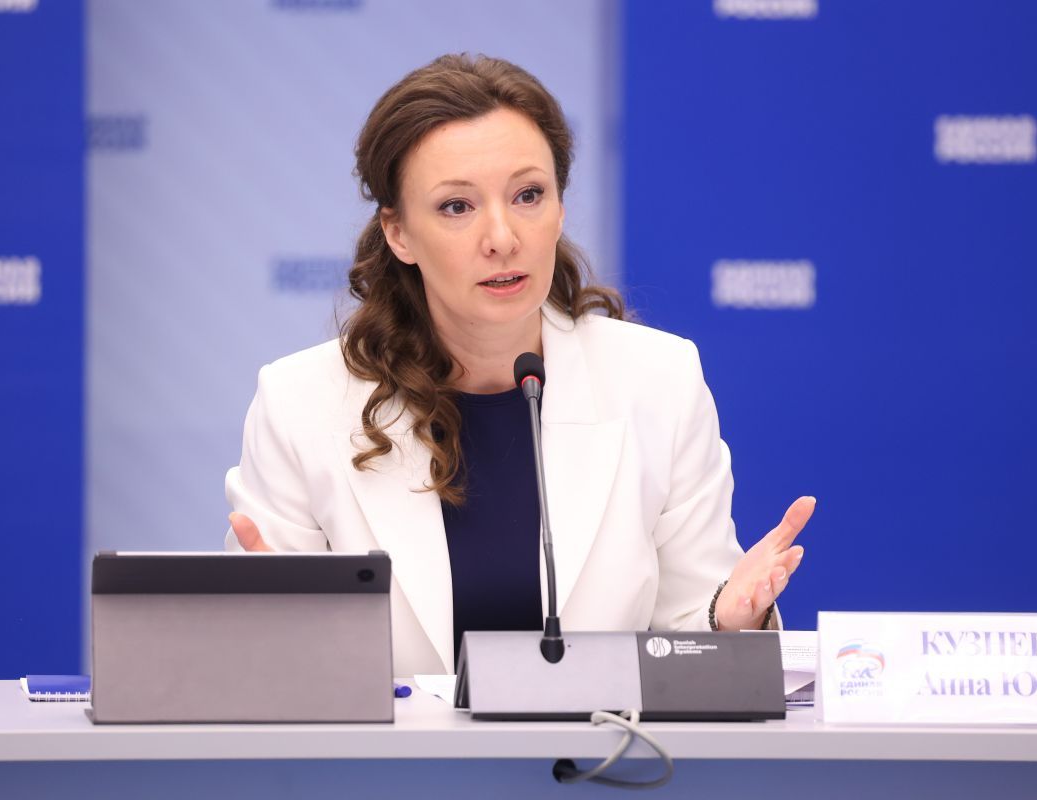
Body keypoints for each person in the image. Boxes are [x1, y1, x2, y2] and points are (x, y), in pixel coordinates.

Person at [225, 53, 812, 677]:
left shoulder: (658, 380)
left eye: (528, 195)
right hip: (393, 744)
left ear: (560, 209)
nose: (502, 237)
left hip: (603, 741)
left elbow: (690, 632)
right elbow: (256, 670)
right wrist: (265, 635)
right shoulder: (299, 402)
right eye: (457, 206)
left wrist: (731, 619)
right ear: (398, 233)